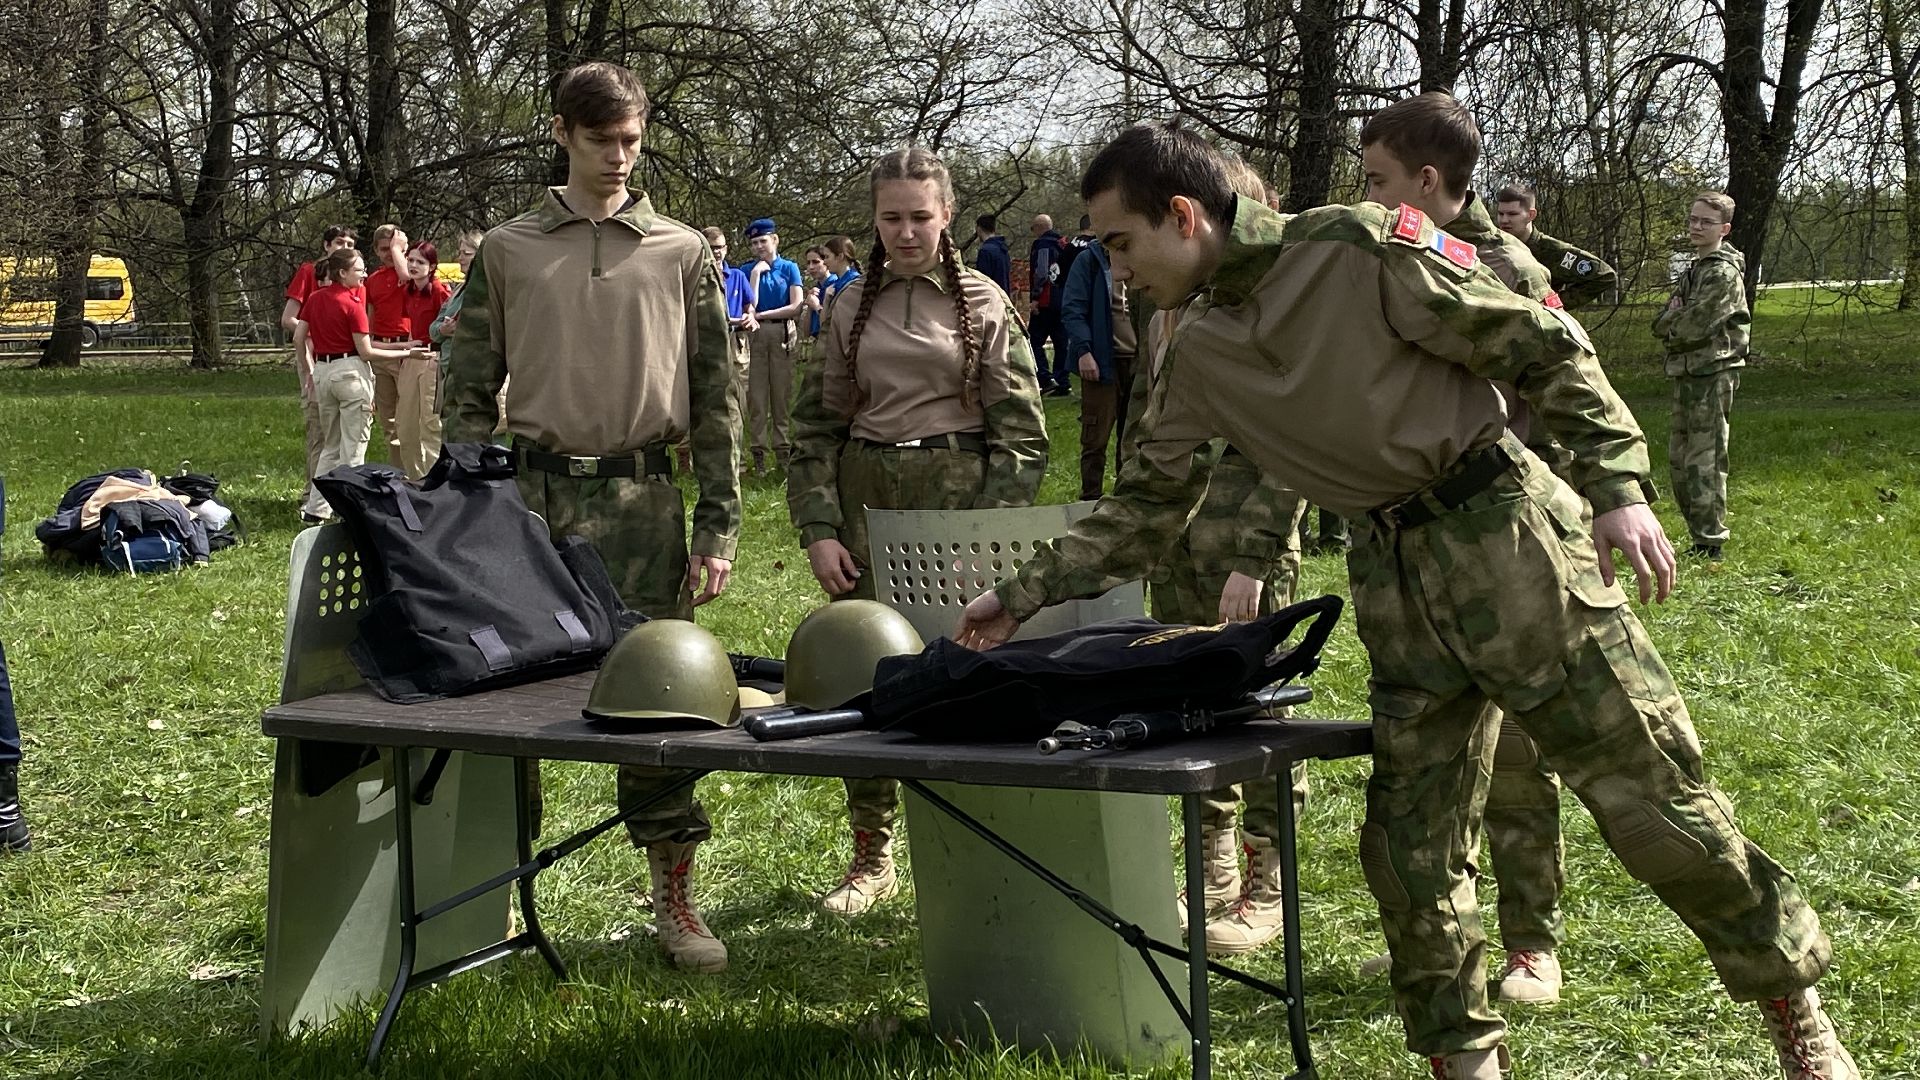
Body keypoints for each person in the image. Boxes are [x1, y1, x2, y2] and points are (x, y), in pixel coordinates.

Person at [955, 119, 1856, 1080]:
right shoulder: (1193, 352)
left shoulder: (1352, 247)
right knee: (1411, 851)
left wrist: (1618, 488)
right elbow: (1145, 506)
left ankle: (1793, 1013)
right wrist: (1019, 596)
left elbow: (1539, 342)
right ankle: (1465, 1062)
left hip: (1510, 544)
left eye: (1121, 243)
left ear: (1184, 215)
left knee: (1649, 799)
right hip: (1394, 582)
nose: (1116, 270)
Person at [442, 61, 742, 975]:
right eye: (603, 139)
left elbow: (718, 396)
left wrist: (717, 523)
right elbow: (465, 385)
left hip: (646, 502)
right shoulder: (509, 247)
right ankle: (490, 893)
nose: (620, 158)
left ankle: (675, 895)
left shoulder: (683, 251)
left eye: (633, 140)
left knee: (665, 704)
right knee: (502, 704)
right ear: (563, 134)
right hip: (528, 502)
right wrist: (464, 501)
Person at [787, 144, 1049, 918]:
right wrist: (819, 527)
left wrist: (990, 542)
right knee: (867, 672)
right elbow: (813, 431)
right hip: (868, 499)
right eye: (891, 218)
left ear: (947, 216)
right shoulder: (845, 305)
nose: (906, 233)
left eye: (920, 217)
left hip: (957, 498)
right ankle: (872, 851)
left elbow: (1023, 437)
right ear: (873, 220)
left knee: (964, 671)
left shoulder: (983, 301)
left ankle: (974, 845)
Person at [1358, 92, 1573, 1006]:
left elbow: (1555, 389)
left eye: (1376, 180)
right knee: (1438, 766)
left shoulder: (1501, 266)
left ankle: (1533, 941)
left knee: (1521, 751)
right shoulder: (1388, 260)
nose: (1363, 196)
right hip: (1419, 546)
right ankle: (1456, 945)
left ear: (1429, 181)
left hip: (1509, 538)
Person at [1125, 154, 1309, 955]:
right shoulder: (1166, 308)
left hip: (1245, 534)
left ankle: (1270, 883)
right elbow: (1149, 420)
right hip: (1179, 536)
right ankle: (1213, 865)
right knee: (1190, 697)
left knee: (1261, 702)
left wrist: (1258, 556)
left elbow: (1295, 443)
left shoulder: (1271, 306)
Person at [1654, 190, 1750, 561]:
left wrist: (1675, 318)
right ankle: (1699, 535)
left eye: (1705, 222)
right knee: (1680, 458)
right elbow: (1659, 323)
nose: (1695, 227)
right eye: (1693, 219)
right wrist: (1673, 318)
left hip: (1713, 372)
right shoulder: (1695, 270)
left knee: (1704, 457)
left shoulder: (1722, 274)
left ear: (1723, 228)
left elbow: (1692, 328)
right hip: (1688, 372)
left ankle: (1710, 542)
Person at [306, 247, 432, 494]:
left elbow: (300, 337)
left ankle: (317, 505)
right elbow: (366, 352)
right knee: (353, 447)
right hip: (350, 374)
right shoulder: (353, 304)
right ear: (342, 273)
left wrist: (311, 369)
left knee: (331, 445)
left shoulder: (315, 298)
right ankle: (352, 503)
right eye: (358, 270)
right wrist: (408, 352)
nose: (364, 274)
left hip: (323, 371)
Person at [283, 225, 358, 522]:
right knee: (319, 425)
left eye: (350, 242)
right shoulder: (310, 272)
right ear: (327, 245)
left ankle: (337, 493)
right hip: (314, 353)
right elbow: (289, 318)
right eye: (340, 241)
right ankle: (312, 494)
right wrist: (318, 329)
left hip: (346, 361)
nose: (345, 245)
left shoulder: (354, 278)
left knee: (344, 430)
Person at [1058, 230, 1134, 501]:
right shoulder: (1088, 260)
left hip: (1137, 362)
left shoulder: (1138, 255)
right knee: (1095, 437)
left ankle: (1127, 500)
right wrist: (1084, 351)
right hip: (1102, 361)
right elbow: (1072, 309)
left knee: (1132, 439)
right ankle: (1090, 499)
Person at [744, 217, 804, 475]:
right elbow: (749, 306)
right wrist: (756, 275)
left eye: (763, 241)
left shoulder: (789, 268)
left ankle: (783, 451)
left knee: (781, 395)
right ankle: (758, 453)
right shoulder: (747, 270)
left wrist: (764, 315)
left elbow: (796, 305)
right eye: (754, 243)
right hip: (755, 335)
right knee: (757, 398)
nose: (759, 247)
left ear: (774, 240)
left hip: (781, 332)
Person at [1494, 185, 1618, 310]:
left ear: (1531, 215)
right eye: (1501, 214)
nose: (1504, 220)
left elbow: (1604, 276)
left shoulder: (1552, 251)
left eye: (1512, 214)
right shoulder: (1491, 248)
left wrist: (1552, 305)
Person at [397, 240, 452, 478]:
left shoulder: (440, 291)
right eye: (410, 260)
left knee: (430, 425)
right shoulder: (408, 291)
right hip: (413, 357)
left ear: (431, 267)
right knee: (405, 424)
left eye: (420, 262)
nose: (413, 265)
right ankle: (415, 480)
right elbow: (411, 327)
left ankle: (435, 483)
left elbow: (445, 328)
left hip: (433, 358)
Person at [363, 224, 413, 465]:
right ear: (375, 251)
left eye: (392, 248)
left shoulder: (412, 271)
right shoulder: (373, 280)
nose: (388, 254)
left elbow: (406, 277)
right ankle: (399, 474)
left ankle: (418, 474)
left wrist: (398, 251)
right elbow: (370, 315)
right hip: (382, 351)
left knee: (411, 419)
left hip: (407, 349)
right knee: (390, 421)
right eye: (383, 249)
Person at [702, 225, 757, 427]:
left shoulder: (737, 276)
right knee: (710, 394)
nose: (717, 252)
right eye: (712, 247)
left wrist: (750, 317)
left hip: (736, 340)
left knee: (738, 393)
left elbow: (749, 306)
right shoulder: (698, 276)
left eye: (721, 247)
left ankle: (739, 452)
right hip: (708, 341)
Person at [1026, 213, 1070, 395]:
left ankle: (1045, 377)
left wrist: (1035, 297)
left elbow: (1042, 272)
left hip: (1045, 302)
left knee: (1033, 341)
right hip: (1062, 301)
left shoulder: (1043, 245)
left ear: (1038, 227)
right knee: (1061, 343)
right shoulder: (1064, 245)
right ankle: (1063, 382)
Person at [798, 245, 830, 367]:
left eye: (816, 262)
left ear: (826, 261)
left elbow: (833, 324)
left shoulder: (835, 286)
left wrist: (817, 306)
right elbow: (806, 331)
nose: (811, 267)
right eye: (808, 263)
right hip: (817, 342)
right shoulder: (816, 289)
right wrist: (810, 307)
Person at [971, 213, 1011, 293]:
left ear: (978, 229)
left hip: (991, 296)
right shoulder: (1003, 249)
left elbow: (983, 279)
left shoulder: (985, 251)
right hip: (1004, 295)